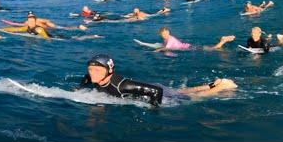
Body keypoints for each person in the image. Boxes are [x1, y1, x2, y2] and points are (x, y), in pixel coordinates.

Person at [76, 54, 237, 106]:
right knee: (178, 90)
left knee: (191, 99)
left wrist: (155, 109)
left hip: (154, 91)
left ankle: (222, 87)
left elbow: (156, 92)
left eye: (97, 70)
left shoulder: (122, 85)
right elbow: (86, 79)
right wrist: (78, 88)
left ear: (109, 71)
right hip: (149, 87)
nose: (92, 74)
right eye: (90, 70)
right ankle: (210, 84)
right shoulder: (93, 77)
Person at [156, 27, 235, 51]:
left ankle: (223, 40)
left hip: (190, 48)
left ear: (168, 32)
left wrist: (157, 50)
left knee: (214, 48)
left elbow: (166, 48)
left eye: (165, 34)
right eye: (163, 34)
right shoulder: (167, 39)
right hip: (188, 46)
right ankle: (222, 40)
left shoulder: (170, 39)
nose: (165, 35)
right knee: (211, 47)